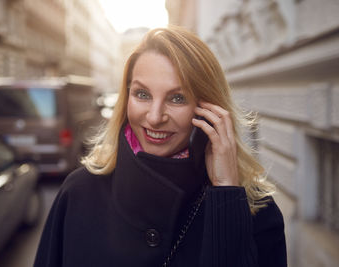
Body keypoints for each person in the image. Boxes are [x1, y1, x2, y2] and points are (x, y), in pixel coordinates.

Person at [34, 26, 287, 267]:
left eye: (177, 98)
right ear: (127, 97)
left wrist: (226, 196)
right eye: (142, 94)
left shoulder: (256, 210)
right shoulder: (78, 192)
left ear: (209, 109)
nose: (155, 117)